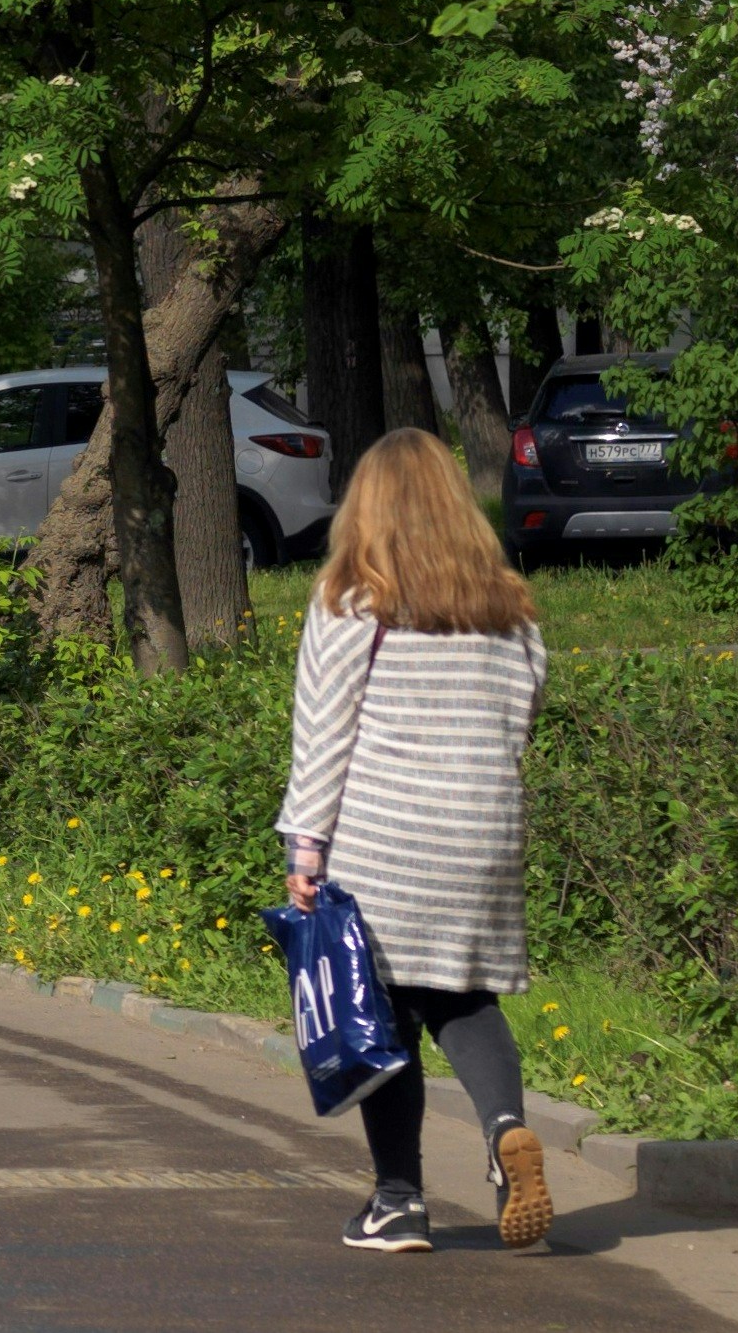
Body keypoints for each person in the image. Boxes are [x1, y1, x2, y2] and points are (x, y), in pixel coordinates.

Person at [289, 426, 556, 1253]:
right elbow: (525, 710)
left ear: (367, 507)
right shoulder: (506, 604)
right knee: (464, 994)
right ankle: (506, 1126)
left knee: (384, 1008)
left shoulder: (352, 598)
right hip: (481, 833)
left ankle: (398, 1201)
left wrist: (306, 842)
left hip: (385, 832)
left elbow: (324, 728)